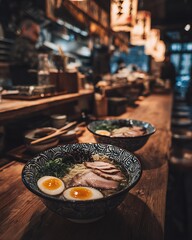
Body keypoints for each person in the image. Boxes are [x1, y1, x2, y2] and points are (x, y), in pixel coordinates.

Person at [10, 19, 40, 86]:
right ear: (24, 29)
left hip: (26, 86)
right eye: (35, 33)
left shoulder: (24, 44)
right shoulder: (22, 44)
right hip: (25, 87)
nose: (37, 37)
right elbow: (37, 64)